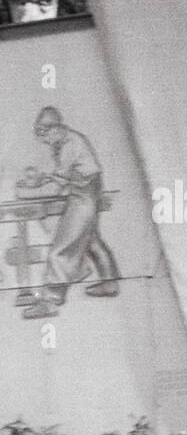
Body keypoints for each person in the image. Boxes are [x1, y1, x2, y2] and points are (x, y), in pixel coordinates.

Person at [21, 106, 121, 319]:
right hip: (85, 190)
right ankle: (110, 282)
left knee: (61, 248)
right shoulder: (65, 140)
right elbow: (62, 174)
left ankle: (51, 300)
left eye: (45, 134)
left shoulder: (69, 143)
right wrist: (45, 178)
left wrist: (30, 191)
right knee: (91, 240)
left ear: (55, 129)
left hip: (84, 195)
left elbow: (58, 184)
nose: (44, 141)